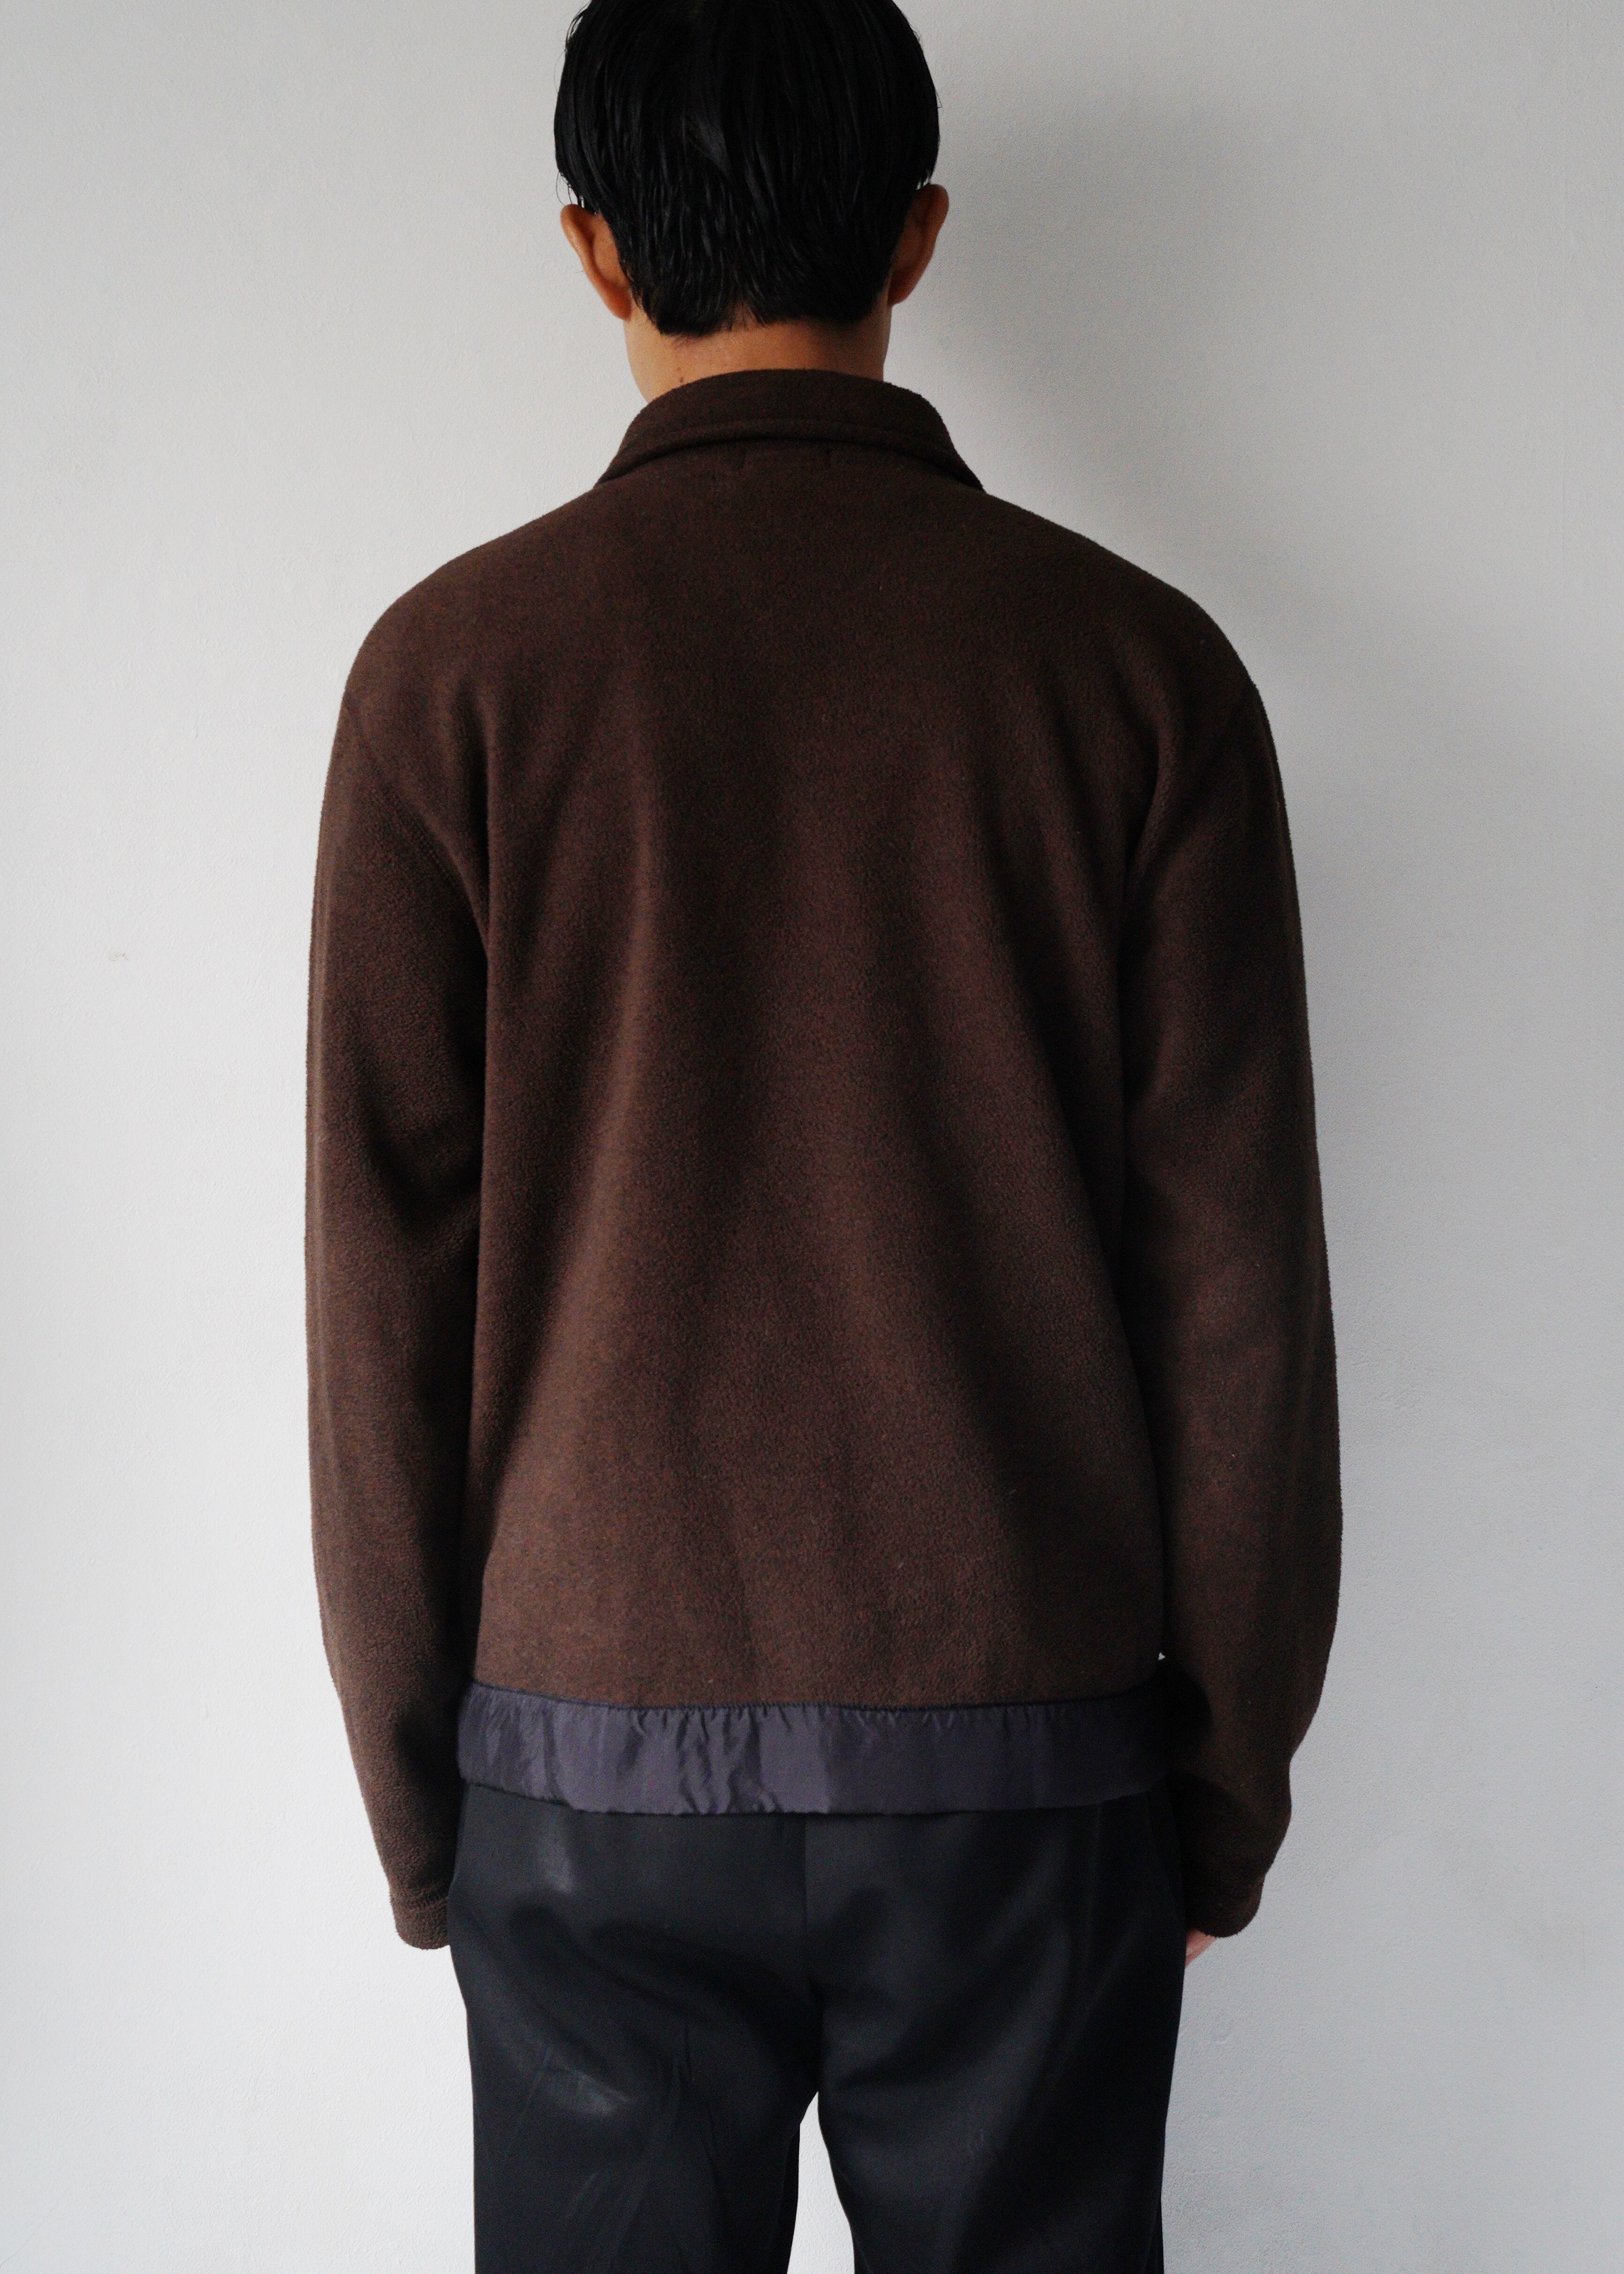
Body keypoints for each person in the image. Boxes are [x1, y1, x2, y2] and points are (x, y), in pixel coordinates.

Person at [303, 0, 1342, 2266]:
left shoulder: (450, 678)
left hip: (577, 1761)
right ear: (917, 236)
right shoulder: (1138, 676)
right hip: (1026, 1763)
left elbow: (382, 1291)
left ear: (593, 250)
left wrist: (425, 1797)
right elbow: (1237, 1292)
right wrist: (1215, 1795)